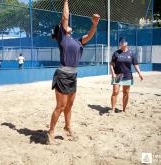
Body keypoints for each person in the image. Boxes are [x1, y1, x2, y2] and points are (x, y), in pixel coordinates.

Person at [47, 0, 100, 144]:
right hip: (62, 75)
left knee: (69, 106)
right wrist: (66, 1)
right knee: (61, 106)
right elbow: (65, 17)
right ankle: (51, 132)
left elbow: (89, 35)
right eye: (65, 25)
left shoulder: (77, 41)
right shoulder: (62, 38)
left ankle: (67, 127)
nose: (68, 25)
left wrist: (94, 24)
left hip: (73, 76)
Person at [110, 37, 144, 113]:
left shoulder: (131, 53)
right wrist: (113, 73)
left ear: (127, 43)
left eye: (124, 42)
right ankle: (112, 110)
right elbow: (111, 64)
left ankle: (124, 109)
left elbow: (136, 64)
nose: (122, 43)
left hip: (127, 76)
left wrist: (139, 73)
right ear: (119, 44)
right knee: (115, 92)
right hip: (118, 75)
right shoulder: (116, 53)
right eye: (121, 42)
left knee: (126, 93)